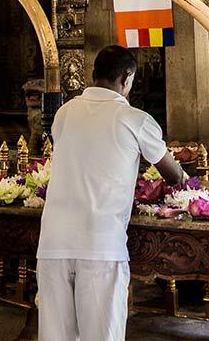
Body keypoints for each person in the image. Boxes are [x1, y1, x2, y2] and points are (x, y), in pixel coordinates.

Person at [36, 45, 186, 340]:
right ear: (126, 79)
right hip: (100, 245)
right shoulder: (134, 119)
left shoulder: (64, 113)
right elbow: (174, 175)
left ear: (94, 74)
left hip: (53, 243)